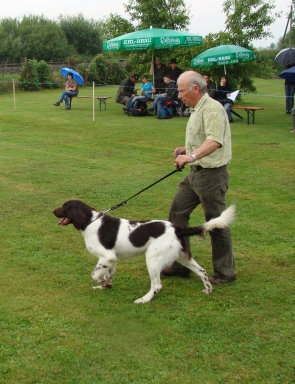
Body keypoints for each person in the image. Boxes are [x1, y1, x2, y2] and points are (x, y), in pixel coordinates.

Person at [161, 71, 236, 284]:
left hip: (212, 176)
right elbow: (203, 139)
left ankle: (225, 272)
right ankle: (179, 263)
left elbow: (214, 141)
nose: (179, 95)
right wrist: (187, 149)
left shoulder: (212, 109)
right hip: (195, 175)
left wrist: (191, 156)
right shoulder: (197, 109)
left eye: (182, 90)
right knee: (177, 213)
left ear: (195, 89)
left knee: (216, 223)